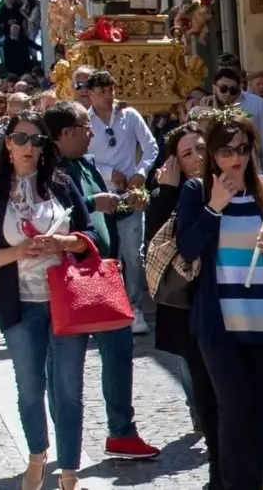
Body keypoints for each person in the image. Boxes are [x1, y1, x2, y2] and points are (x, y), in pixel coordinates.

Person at [0, 111, 98, 490]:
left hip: (65, 299)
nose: (29, 147)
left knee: (68, 387)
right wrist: (18, 252)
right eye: (21, 139)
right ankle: (37, 454)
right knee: (29, 387)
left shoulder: (61, 185)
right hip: (20, 305)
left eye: (37, 141)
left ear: (45, 148)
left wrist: (61, 243)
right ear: (7, 144)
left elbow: (88, 234)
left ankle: (71, 470)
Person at [175, 107, 263, 490]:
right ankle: (232, 482)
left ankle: (254, 481)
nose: (235, 158)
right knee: (233, 405)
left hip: (261, 317)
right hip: (218, 321)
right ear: (213, 153)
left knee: (258, 407)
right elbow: (189, 247)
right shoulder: (197, 190)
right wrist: (214, 208)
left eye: (242, 149)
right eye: (226, 151)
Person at [46, 101, 163, 460]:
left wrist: (127, 202)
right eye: (85, 126)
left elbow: (104, 213)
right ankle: (67, 448)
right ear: (65, 134)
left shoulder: (85, 164)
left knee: (119, 351)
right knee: (67, 370)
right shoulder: (49, 171)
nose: (92, 132)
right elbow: (60, 214)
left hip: (103, 273)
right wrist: (93, 201)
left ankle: (121, 431)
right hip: (69, 277)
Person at [84, 70, 159, 334]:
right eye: (101, 91)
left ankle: (135, 305)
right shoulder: (86, 120)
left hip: (129, 194)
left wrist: (141, 171)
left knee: (133, 253)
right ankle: (106, 303)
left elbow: (151, 146)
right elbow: (82, 155)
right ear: (91, 93)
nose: (107, 95)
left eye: (110, 89)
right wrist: (106, 172)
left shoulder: (130, 115)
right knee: (105, 252)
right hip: (101, 194)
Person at [145, 121, 208, 435]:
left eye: (200, 148)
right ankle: (197, 407)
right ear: (174, 161)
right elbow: (155, 243)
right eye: (187, 153)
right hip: (181, 293)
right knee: (189, 357)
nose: (196, 157)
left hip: (215, 286)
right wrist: (167, 192)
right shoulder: (166, 193)